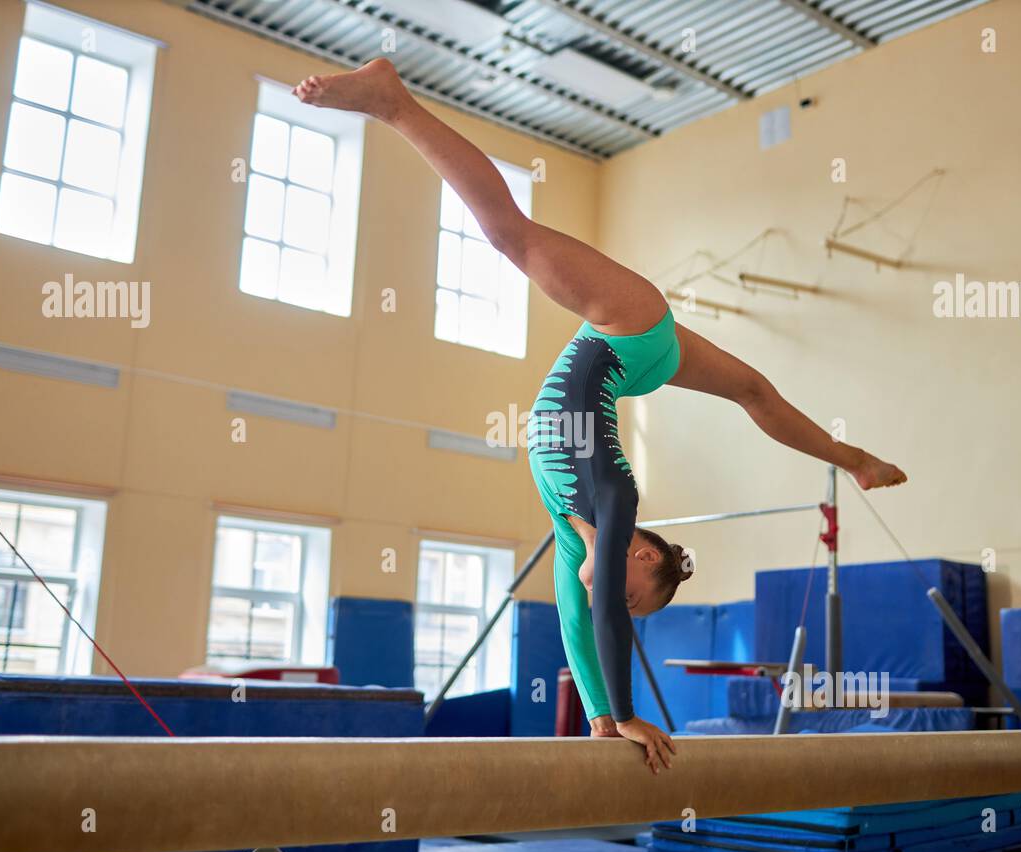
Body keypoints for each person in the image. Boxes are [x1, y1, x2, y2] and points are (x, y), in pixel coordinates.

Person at [295, 60, 907, 774]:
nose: (602, 593)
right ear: (639, 554)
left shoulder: (569, 539)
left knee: (753, 392)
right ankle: (393, 102)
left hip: (633, 360)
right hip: (629, 326)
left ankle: (853, 459)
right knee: (509, 236)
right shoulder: (613, 497)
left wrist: (596, 721)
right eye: (624, 587)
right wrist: (623, 714)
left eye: (612, 595)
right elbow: (608, 622)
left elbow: (578, 629)